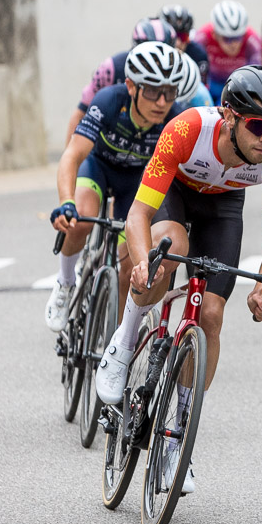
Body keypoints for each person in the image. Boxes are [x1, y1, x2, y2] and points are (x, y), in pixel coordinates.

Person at [94, 65, 262, 493]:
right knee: (172, 244)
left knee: (211, 313)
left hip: (222, 209)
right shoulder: (187, 129)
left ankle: (178, 437)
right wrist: (141, 263)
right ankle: (125, 341)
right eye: (259, 126)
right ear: (229, 116)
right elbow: (138, 214)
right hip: (175, 195)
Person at [45, 42, 186, 331]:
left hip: (137, 183)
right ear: (131, 87)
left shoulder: (176, 116)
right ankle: (66, 282)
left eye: (169, 92)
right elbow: (72, 155)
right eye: (152, 91)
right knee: (80, 220)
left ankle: (117, 340)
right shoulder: (109, 100)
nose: (161, 101)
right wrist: (66, 201)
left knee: (129, 268)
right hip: (100, 168)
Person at [64, 18, 177, 146]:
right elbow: (81, 111)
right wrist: (68, 157)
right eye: (148, 57)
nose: (157, 66)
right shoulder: (111, 68)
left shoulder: (179, 72)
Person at [194, 0, 262, 103]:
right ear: (215, 34)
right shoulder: (202, 37)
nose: (234, 44)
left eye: (238, 37)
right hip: (211, 84)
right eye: (227, 39)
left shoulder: (252, 40)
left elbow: (256, 77)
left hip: (237, 85)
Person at [159, 4, 210, 85]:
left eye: (183, 36)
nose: (177, 43)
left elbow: (202, 87)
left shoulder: (199, 55)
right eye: (173, 36)